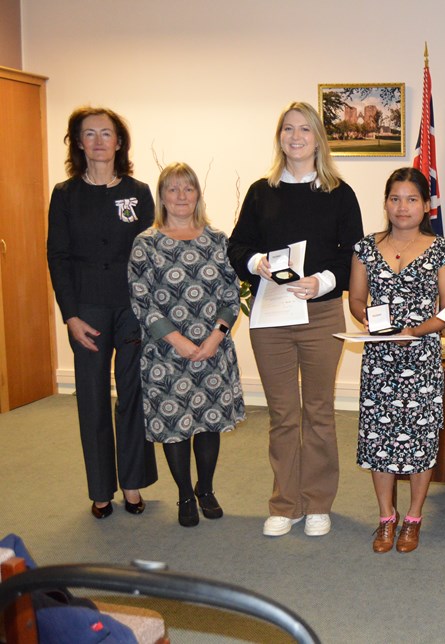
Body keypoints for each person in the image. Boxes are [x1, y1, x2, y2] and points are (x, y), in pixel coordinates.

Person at [229, 101, 363, 538]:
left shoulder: (339, 193)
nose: (296, 136)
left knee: (319, 410)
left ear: (318, 138)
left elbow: (353, 257)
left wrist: (323, 282)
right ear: (279, 137)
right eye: (288, 129)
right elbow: (237, 248)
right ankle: (285, 503)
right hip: (271, 314)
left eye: (305, 129)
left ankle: (319, 502)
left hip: (320, 313)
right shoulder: (260, 191)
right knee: (283, 414)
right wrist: (256, 262)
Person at [46, 106, 158, 519]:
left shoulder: (139, 192)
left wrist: (149, 309)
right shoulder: (65, 194)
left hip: (131, 309)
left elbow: (150, 253)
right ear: (78, 142)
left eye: (105, 133)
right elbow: (56, 256)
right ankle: (100, 490)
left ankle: (131, 483)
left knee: (132, 395)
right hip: (87, 310)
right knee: (91, 398)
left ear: (118, 142)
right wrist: (70, 315)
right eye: (88, 134)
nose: (98, 141)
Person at [348, 167, 445, 553]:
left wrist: (413, 332)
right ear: (385, 203)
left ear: (425, 206)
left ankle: (412, 518)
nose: (402, 207)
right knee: (378, 439)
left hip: (421, 359)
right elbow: (356, 300)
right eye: (395, 198)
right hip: (379, 360)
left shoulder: (442, 250)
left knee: (419, 440)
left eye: (412, 199)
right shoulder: (365, 247)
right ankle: (385, 518)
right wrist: (369, 321)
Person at [128, 162, 246, 527]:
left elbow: (231, 291)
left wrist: (216, 337)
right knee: (174, 424)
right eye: (172, 189)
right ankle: (183, 493)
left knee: (209, 422)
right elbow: (140, 297)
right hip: (166, 353)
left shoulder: (217, 239)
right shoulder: (146, 243)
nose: (181, 196)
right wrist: (176, 340)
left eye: (188, 188)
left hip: (213, 349)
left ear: (198, 194)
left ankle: (205, 488)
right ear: (161, 197)